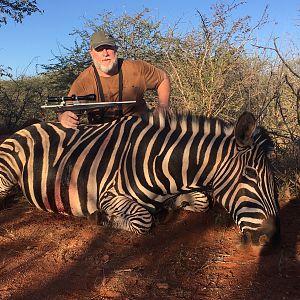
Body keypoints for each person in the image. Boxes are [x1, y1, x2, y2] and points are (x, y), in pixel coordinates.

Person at [58, 29, 170, 128]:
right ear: (91, 53)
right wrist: (63, 117)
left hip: (140, 128)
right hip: (104, 135)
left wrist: (163, 106)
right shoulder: (83, 81)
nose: (105, 53)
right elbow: (68, 109)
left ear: (116, 49)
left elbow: (162, 79)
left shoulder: (137, 68)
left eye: (108, 48)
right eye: (99, 49)